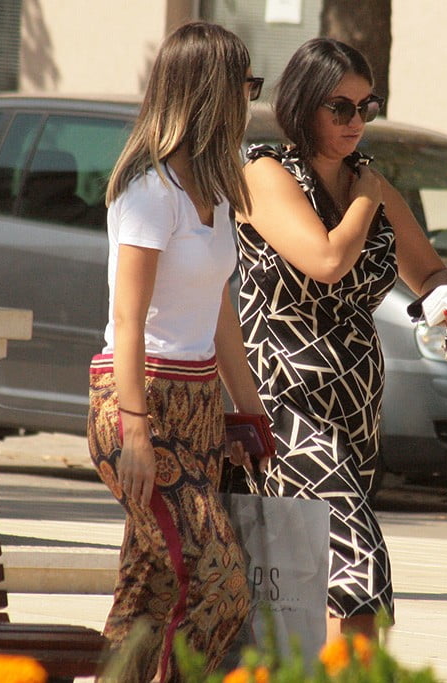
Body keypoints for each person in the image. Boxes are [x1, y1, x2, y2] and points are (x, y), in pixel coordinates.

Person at [235, 38, 447, 641]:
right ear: (304, 103)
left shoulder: (369, 184)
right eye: (340, 107)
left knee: (317, 574)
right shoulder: (265, 173)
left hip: (354, 407)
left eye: (367, 106)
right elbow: (327, 260)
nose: (356, 121)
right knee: (359, 564)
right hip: (284, 401)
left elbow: (428, 271)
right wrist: (367, 198)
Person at [87, 21, 267, 682]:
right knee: (219, 579)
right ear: (210, 91)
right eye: (246, 84)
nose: (250, 98)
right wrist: (135, 431)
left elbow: (220, 316)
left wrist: (249, 414)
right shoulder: (149, 192)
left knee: (149, 591)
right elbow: (128, 319)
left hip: (197, 405)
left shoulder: (216, 193)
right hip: (137, 401)